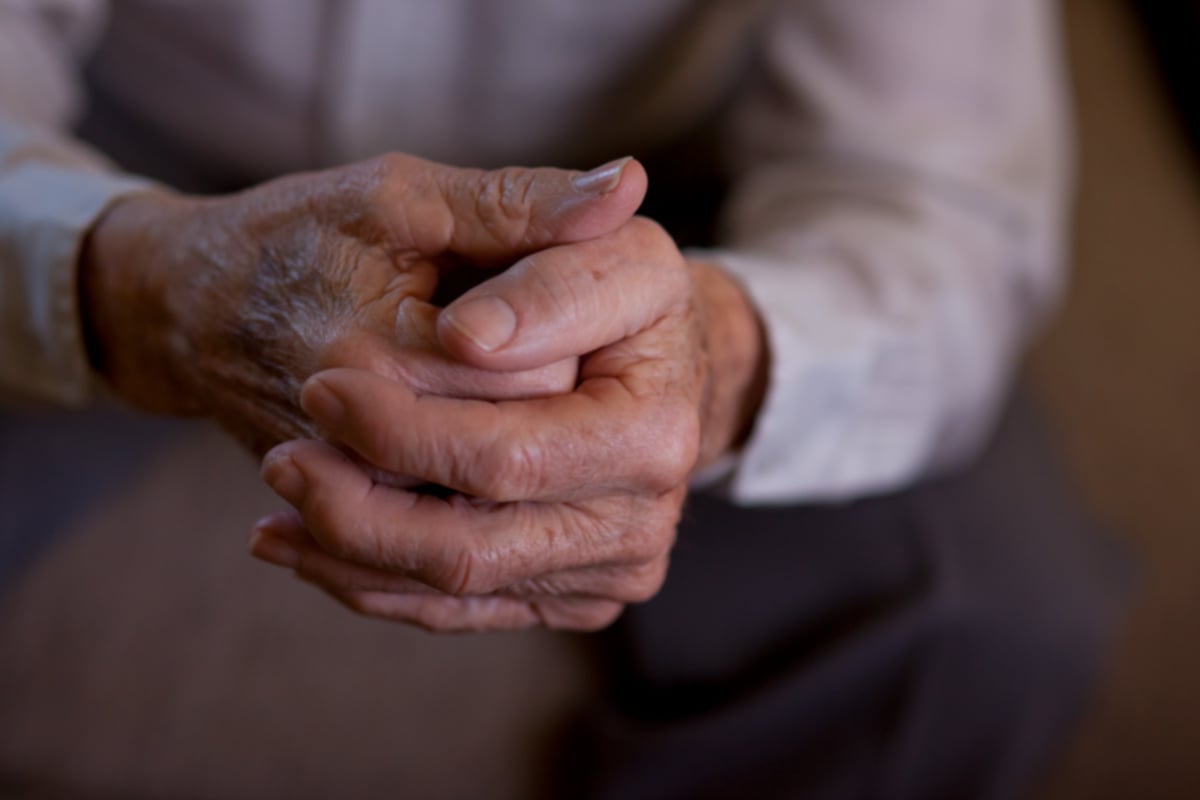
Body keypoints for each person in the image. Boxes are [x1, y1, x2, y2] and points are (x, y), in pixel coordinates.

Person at [0, 1, 1131, 797]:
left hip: (650, 174)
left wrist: (712, 354)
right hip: (116, 131)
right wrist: (143, 277)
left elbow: (932, 198)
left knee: (984, 615)